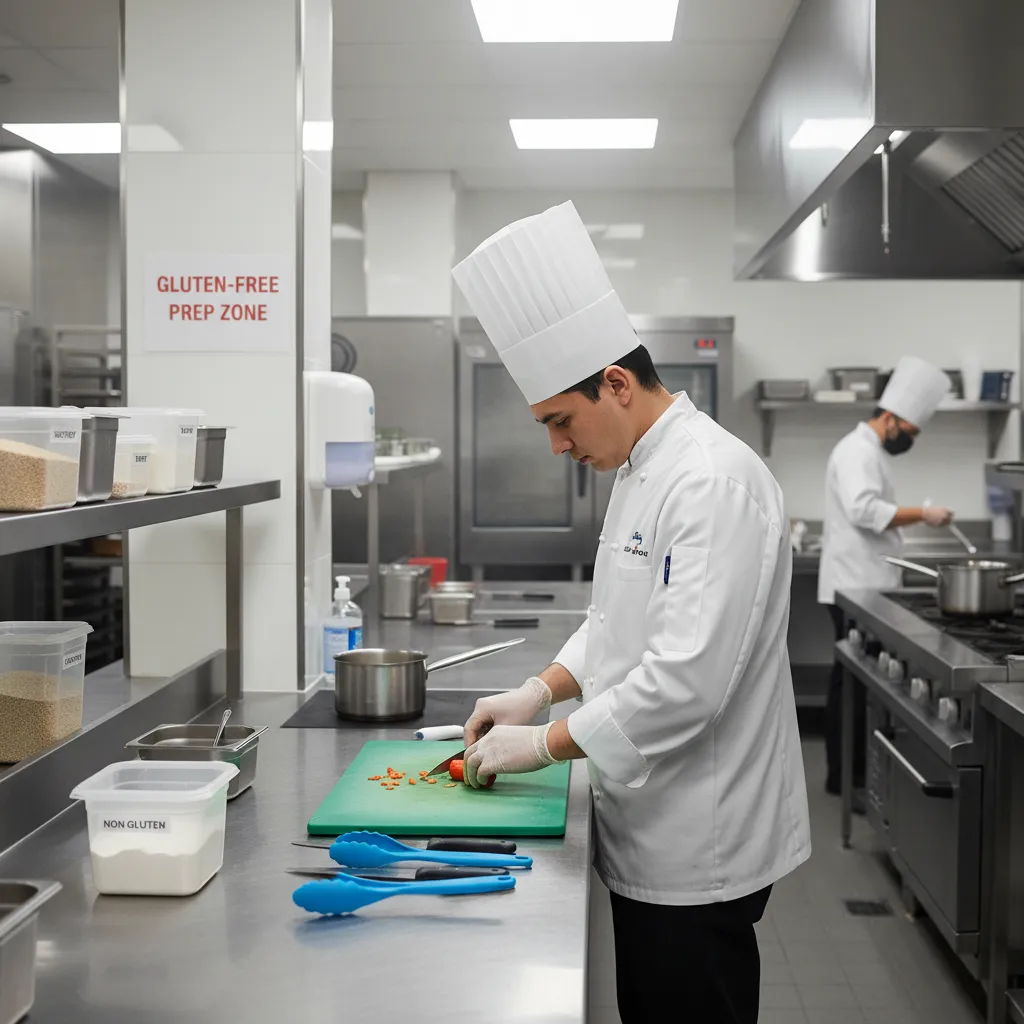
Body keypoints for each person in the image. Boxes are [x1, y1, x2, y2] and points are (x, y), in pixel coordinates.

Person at [451, 200, 810, 1024]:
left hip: (700, 840)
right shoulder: (640, 468)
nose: (556, 445)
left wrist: (542, 746)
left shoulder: (710, 480)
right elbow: (618, 620)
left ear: (615, 383)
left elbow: (685, 681)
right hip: (650, 818)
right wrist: (539, 690)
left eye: (560, 421)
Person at [818, 356, 953, 801]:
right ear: (890, 418)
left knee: (856, 682)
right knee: (852, 683)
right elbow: (863, 510)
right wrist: (924, 514)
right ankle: (847, 777)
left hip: (864, 584)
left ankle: (852, 775)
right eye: (910, 431)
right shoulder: (857, 451)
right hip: (854, 586)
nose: (910, 440)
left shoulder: (868, 450)